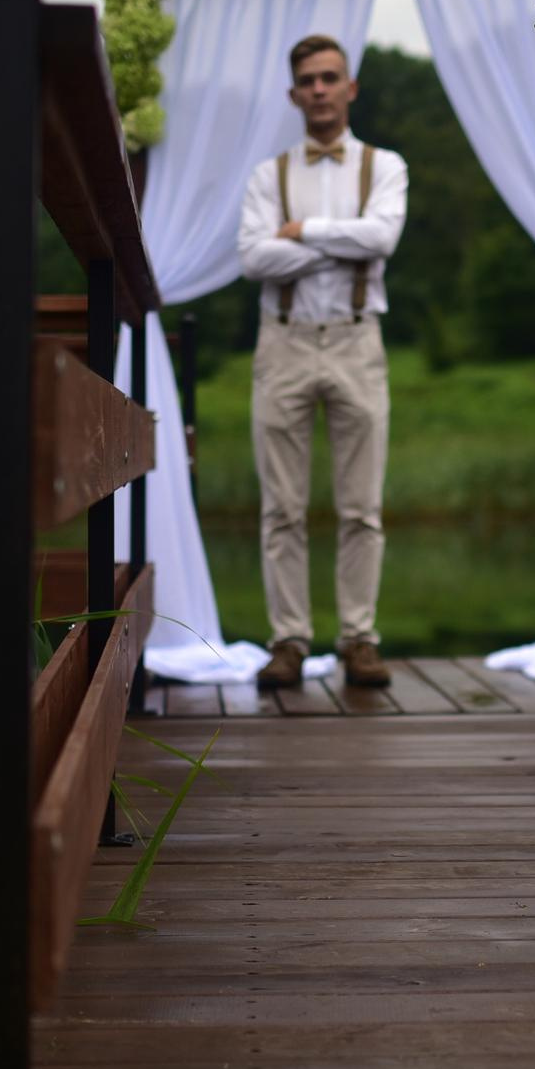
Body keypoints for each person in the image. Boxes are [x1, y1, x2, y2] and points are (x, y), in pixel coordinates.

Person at [235, 35, 407, 690]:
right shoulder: (267, 174)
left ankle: (359, 638)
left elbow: (382, 238)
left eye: (330, 77)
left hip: (359, 342)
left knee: (362, 506)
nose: (319, 89)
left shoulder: (384, 165)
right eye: (307, 79)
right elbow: (253, 261)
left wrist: (300, 232)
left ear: (350, 87)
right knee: (281, 506)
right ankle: (288, 640)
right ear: (293, 93)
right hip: (282, 343)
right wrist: (346, 242)